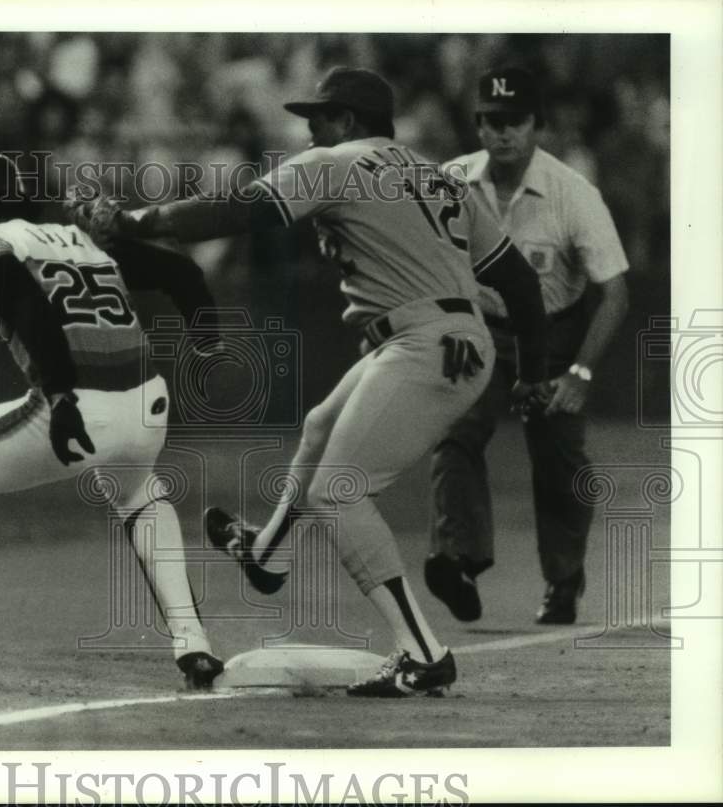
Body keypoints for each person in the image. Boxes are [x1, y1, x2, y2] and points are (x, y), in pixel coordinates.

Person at [70, 67, 550, 697]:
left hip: (423, 343)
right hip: (447, 340)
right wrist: (534, 376)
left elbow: (240, 211)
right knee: (321, 428)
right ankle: (268, 555)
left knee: (338, 491)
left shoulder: (337, 163)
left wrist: (134, 223)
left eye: (318, 118)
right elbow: (519, 282)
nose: (308, 130)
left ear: (349, 121)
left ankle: (422, 651)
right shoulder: (443, 178)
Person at [0, 154, 224, 689]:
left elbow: (29, 306)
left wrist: (61, 397)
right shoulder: (79, 237)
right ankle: (194, 644)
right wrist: (209, 346)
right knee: (140, 493)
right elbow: (184, 273)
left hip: (80, 399)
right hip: (149, 404)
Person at [426, 68, 629, 625]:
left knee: (559, 456)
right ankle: (458, 561)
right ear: (478, 125)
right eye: (492, 121)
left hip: (557, 329)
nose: (503, 133)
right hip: (482, 328)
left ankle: (563, 581)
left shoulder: (572, 192)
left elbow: (614, 293)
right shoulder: (451, 183)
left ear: (538, 125)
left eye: (515, 121)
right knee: (454, 432)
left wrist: (580, 373)